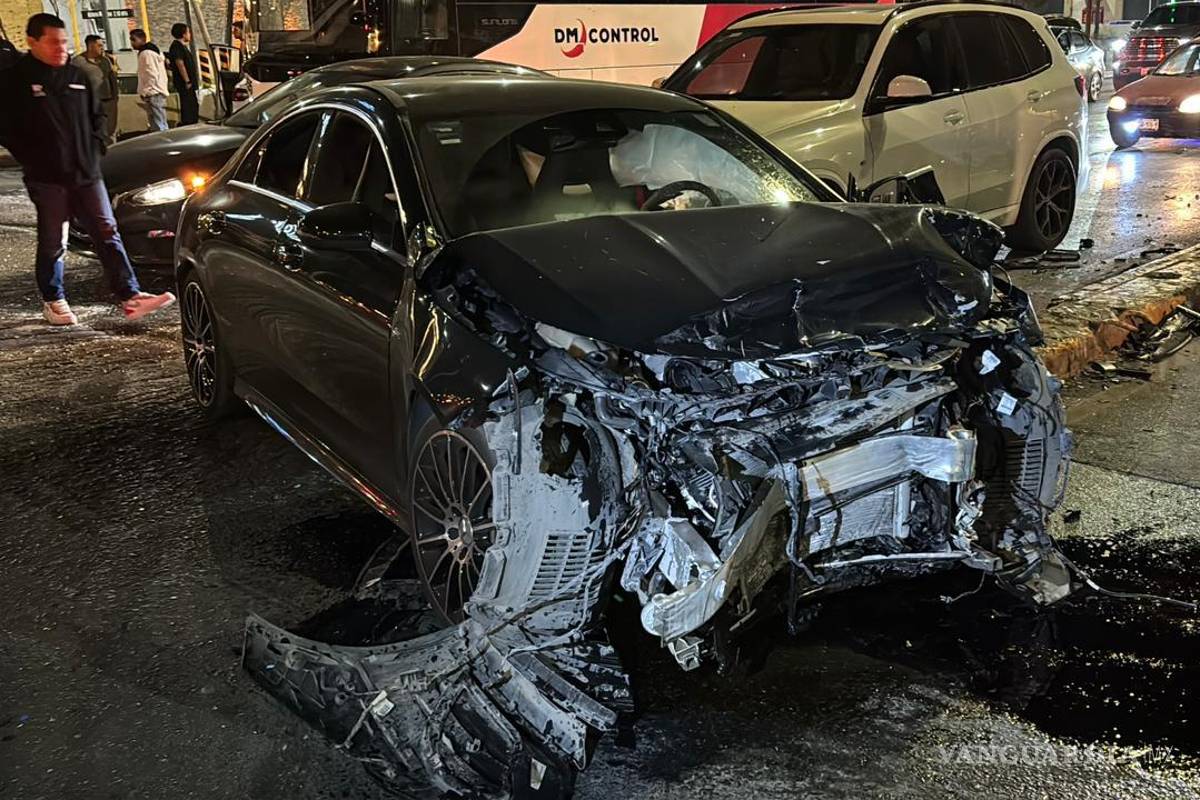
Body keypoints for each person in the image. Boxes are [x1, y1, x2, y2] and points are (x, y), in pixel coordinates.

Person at [0, 14, 174, 325]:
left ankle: (130, 295)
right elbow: (8, 128)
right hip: (48, 177)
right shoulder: (17, 80)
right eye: (53, 42)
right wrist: (34, 159)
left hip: (87, 173)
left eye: (64, 42)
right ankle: (54, 299)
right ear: (33, 42)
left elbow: (97, 117)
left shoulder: (77, 75)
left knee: (108, 232)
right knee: (55, 239)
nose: (60, 48)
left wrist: (96, 148)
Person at [71, 34, 119, 144]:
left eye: (102, 45)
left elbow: (112, 77)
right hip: (90, 103)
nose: (102, 48)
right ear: (90, 46)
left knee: (111, 130)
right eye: (99, 45)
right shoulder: (78, 62)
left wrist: (115, 97)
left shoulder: (105, 60)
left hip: (108, 101)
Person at [130, 27, 168, 131]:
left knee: (159, 123)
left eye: (134, 39)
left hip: (153, 92)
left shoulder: (146, 53)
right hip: (155, 91)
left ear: (142, 39)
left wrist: (147, 91)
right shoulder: (152, 51)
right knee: (157, 121)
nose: (132, 43)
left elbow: (151, 74)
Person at [167, 23, 198, 126]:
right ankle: (188, 123)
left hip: (189, 83)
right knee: (188, 105)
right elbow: (180, 64)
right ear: (183, 34)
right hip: (185, 83)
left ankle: (192, 121)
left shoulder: (182, 47)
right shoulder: (177, 47)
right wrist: (187, 80)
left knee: (192, 104)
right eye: (188, 32)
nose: (190, 35)